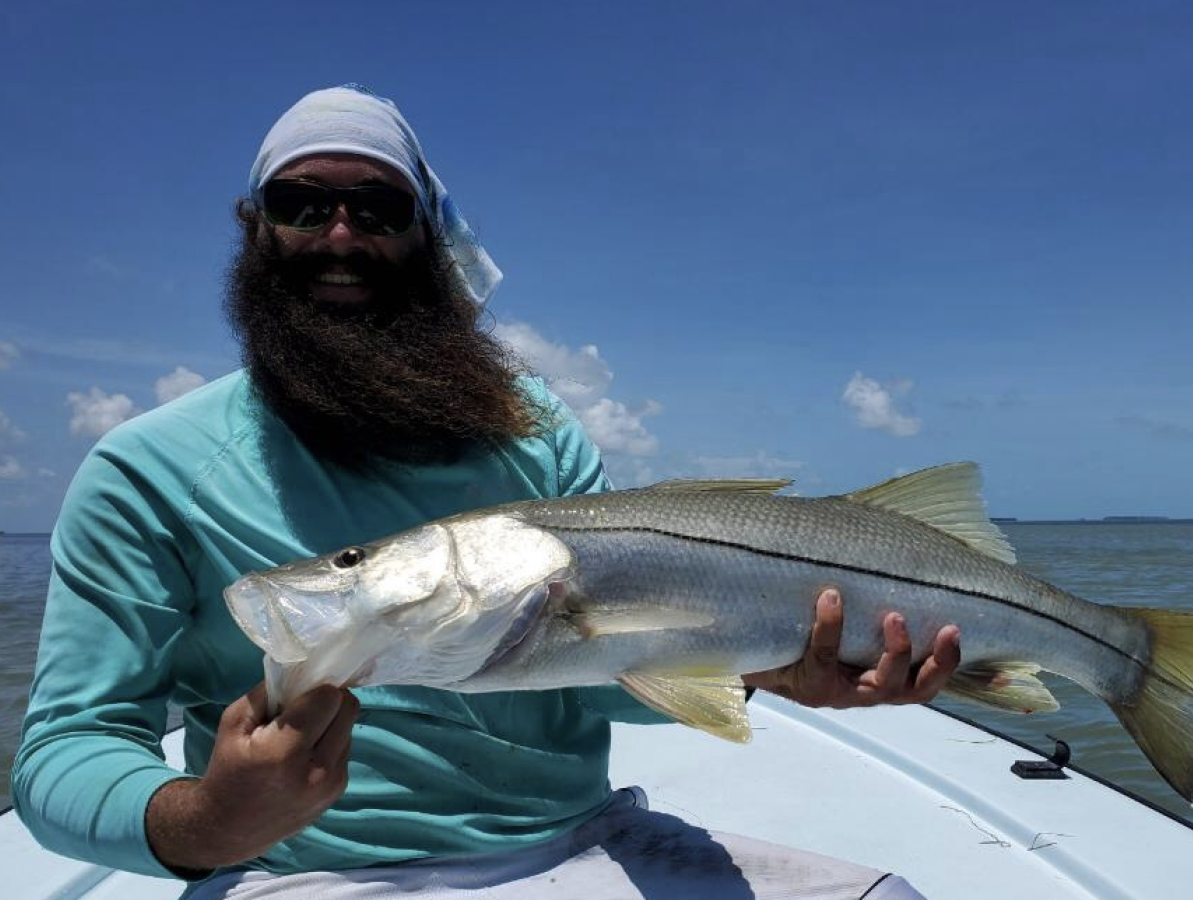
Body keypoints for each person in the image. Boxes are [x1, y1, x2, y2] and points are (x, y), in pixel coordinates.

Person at [14, 85, 961, 900]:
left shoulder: (537, 430)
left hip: (583, 842)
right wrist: (209, 821)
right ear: (254, 226)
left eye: (378, 210)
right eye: (302, 204)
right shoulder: (148, 470)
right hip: (301, 872)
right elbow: (65, 749)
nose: (340, 234)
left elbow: (607, 686)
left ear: (429, 233)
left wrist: (758, 664)